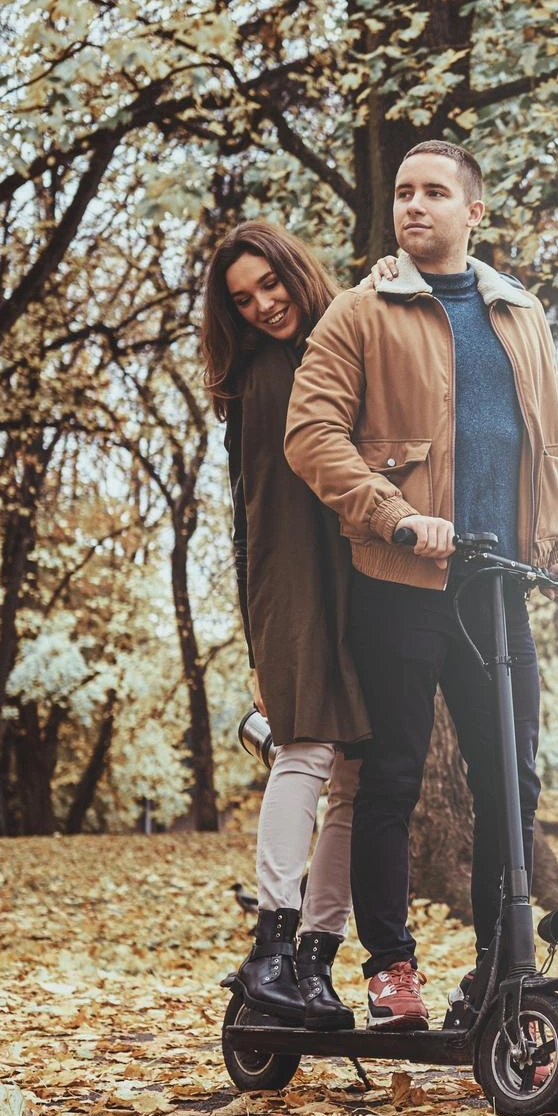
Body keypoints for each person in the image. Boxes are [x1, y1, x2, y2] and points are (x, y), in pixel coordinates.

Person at [285, 140, 558, 1031]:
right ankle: (391, 969)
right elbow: (312, 435)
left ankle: (502, 963)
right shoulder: (361, 311)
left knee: (513, 782)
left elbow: (553, 443)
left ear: (475, 212)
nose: (413, 206)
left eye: (433, 193)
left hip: (499, 588)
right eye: (402, 193)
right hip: (400, 578)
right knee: (392, 775)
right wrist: (392, 513)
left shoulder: (520, 314)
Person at [204, 221, 370, 1031]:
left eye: (270, 284)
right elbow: (255, 514)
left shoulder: (347, 339)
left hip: (364, 580)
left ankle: (315, 959)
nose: (264, 305)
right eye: (243, 299)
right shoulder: (264, 375)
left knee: (357, 776)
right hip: (296, 580)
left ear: (295, 270)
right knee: (305, 748)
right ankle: (271, 943)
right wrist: (264, 623)